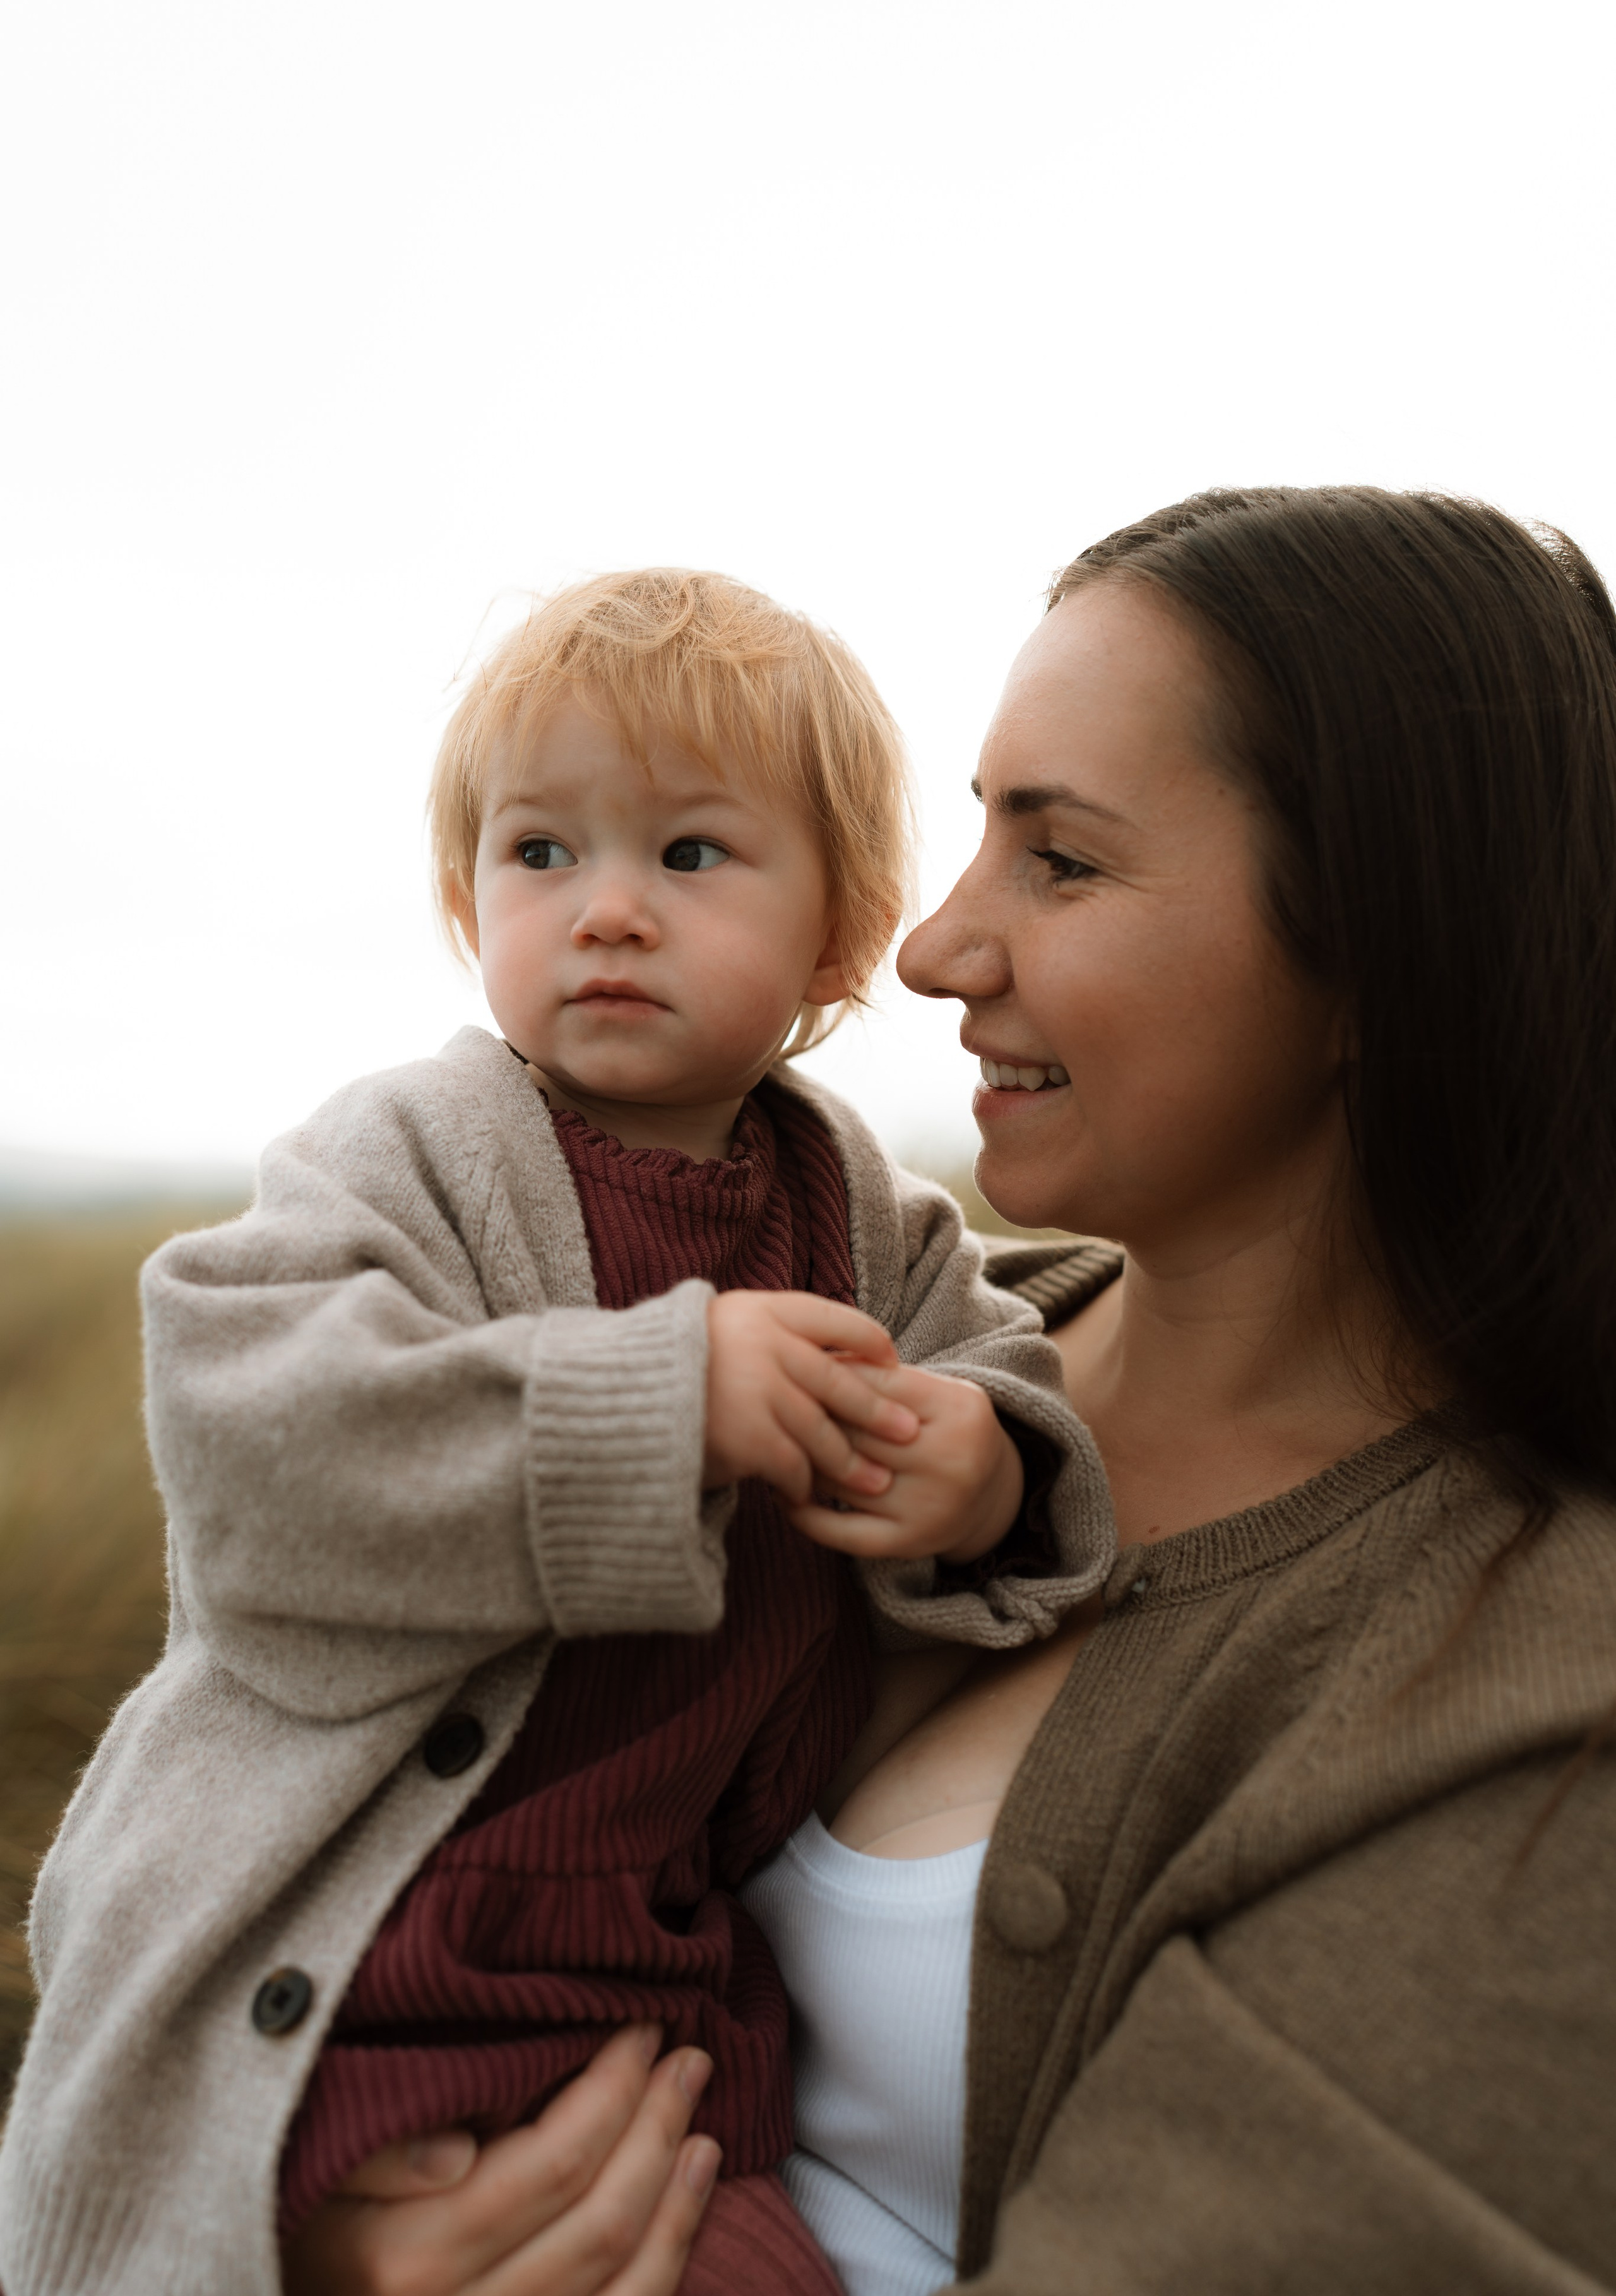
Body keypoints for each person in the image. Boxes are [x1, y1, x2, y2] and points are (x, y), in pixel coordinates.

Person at [271, 487, 1616, 2295]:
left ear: (1380, 947)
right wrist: (295, 2200)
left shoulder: (1537, 1677)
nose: (931, 951)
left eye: (1058, 862)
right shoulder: (875, 1319)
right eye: (979, 839)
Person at [0, 569, 1109, 2296]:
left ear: (839, 931)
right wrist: (659, 1406)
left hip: (635, 1989)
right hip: (338, 1944)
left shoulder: (865, 1215)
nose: (606, 910)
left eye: (687, 855)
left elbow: (1009, 1375)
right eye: (540, 853)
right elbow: (248, 1433)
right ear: (468, 897)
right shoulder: (412, 1151)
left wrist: (981, 1467)